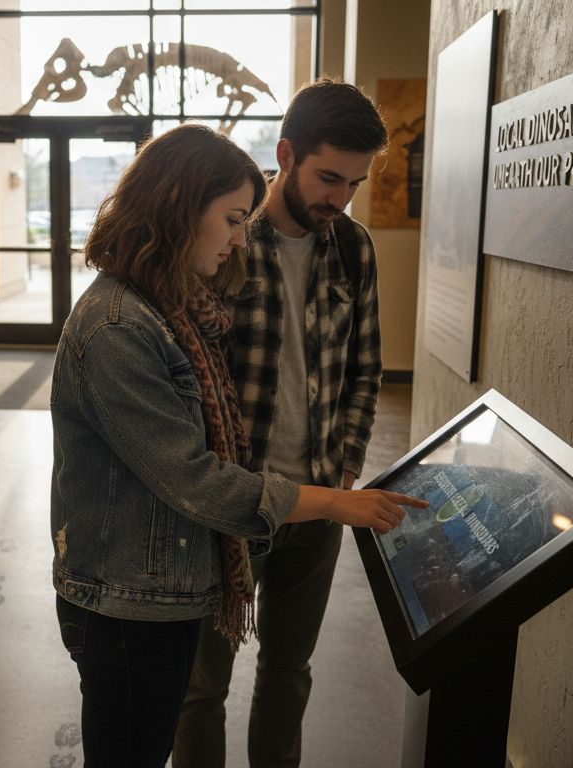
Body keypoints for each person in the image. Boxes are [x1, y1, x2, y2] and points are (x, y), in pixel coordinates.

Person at [50, 123, 424, 768]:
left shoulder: (165, 306)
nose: (236, 239)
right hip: (136, 594)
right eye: (229, 219)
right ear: (176, 209)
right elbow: (192, 478)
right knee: (168, 719)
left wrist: (336, 473)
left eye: (242, 220)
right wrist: (334, 503)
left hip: (168, 577)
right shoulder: (119, 327)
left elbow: (362, 369)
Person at [174, 79, 391, 768]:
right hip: (232, 507)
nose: (339, 198)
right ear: (286, 154)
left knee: (288, 675)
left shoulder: (353, 249)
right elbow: (189, 380)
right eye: (329, 177)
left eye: (353, 184)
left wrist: (346, 465)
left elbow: (366, 369)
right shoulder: (227, 240)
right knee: (202, 686)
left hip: (322, 501)